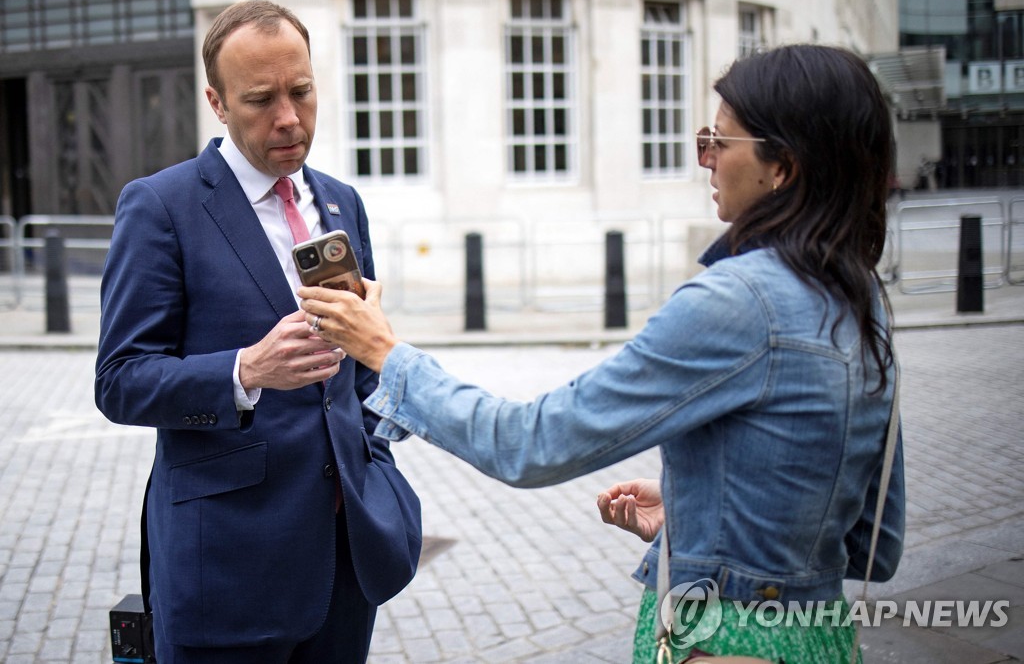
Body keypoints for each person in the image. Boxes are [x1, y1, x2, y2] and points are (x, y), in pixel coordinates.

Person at [298, 44, 905, 663]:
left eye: (720, 142)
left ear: (785, 167)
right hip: (820, 639)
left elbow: (529, 443)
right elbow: (872, 543)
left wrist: (386, 352)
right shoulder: (859, 295)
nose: (706, 161)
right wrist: (700, 512)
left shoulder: (738, 302)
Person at [94, 0, 421, 664]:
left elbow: (357, 375)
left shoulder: (340, 201)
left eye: (301, 92)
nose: (289, 119)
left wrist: (382, 426)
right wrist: (245, 369)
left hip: (345, 557)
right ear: (216, 101)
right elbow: (120, 380)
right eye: (261, 99)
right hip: (229, 568)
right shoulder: (161, 206)